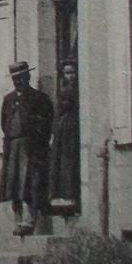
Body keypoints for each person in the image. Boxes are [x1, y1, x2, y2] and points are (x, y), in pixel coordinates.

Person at [0, 61, 54, 236]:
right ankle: (18, 221)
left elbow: (48, 122)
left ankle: (30, 221)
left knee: (29, 183)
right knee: (13, 184)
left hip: (31, 147)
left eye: (21, 77)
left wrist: (37, 140)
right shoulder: (9, 99)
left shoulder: (39, 98)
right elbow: (3, 123)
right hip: (13, 146)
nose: (18, 81)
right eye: (15, 78)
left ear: (27, 77)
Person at [48, 60, 82, 215]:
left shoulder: (79, 90)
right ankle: (66, 199)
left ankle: (71, 197)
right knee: (65, 163)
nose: (71, 76)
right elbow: (59, 113)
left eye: (73, 72)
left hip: (74, 128)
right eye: (68, 73)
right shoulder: (64, 91)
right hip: (65, 131)